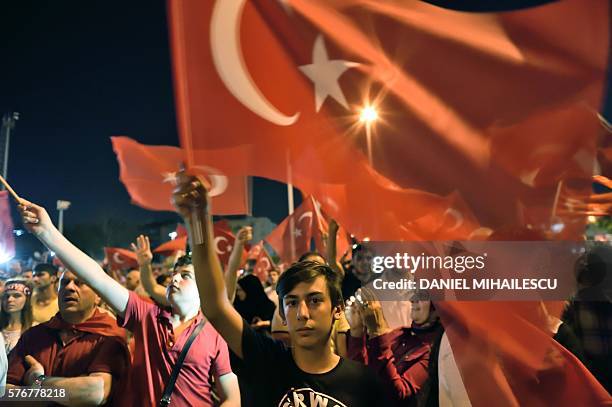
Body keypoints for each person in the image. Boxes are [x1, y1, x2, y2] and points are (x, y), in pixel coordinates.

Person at [172, 171, 387, 406]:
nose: (303, 313)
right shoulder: (266, 361)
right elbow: (214, 307)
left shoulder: (364, 384)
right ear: (282, 313)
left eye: (315, 300)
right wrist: (198, 220)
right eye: (292, 303)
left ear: (338, 309)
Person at [18, 199, 240, 407]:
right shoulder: (147, 315)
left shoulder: (214, 332)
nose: (174, 278)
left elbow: (231, 396)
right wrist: (47, 232)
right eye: (174, 273)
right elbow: (97, 277)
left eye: (185, 276)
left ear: (203, 288)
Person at [6, 270, 130, 405]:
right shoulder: (33, 335)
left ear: (98, 296)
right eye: (64, 283)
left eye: (79, 283)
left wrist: (38, 380)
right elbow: (6, 393)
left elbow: (93, 393)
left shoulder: (109, 336)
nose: (69, 287)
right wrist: (62, 394)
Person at [347, 290, 441, 406]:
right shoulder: (400, 333)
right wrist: (357, 331)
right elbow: (361, 377)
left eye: (423, 296)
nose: (412, 300)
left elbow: (397, 394)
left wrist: (377, 331)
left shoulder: (435, 352)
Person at [0, 279, 34, 354]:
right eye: (6, 296)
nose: (10, 299)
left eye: (17, 296)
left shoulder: (35, 329)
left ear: (27, 299)